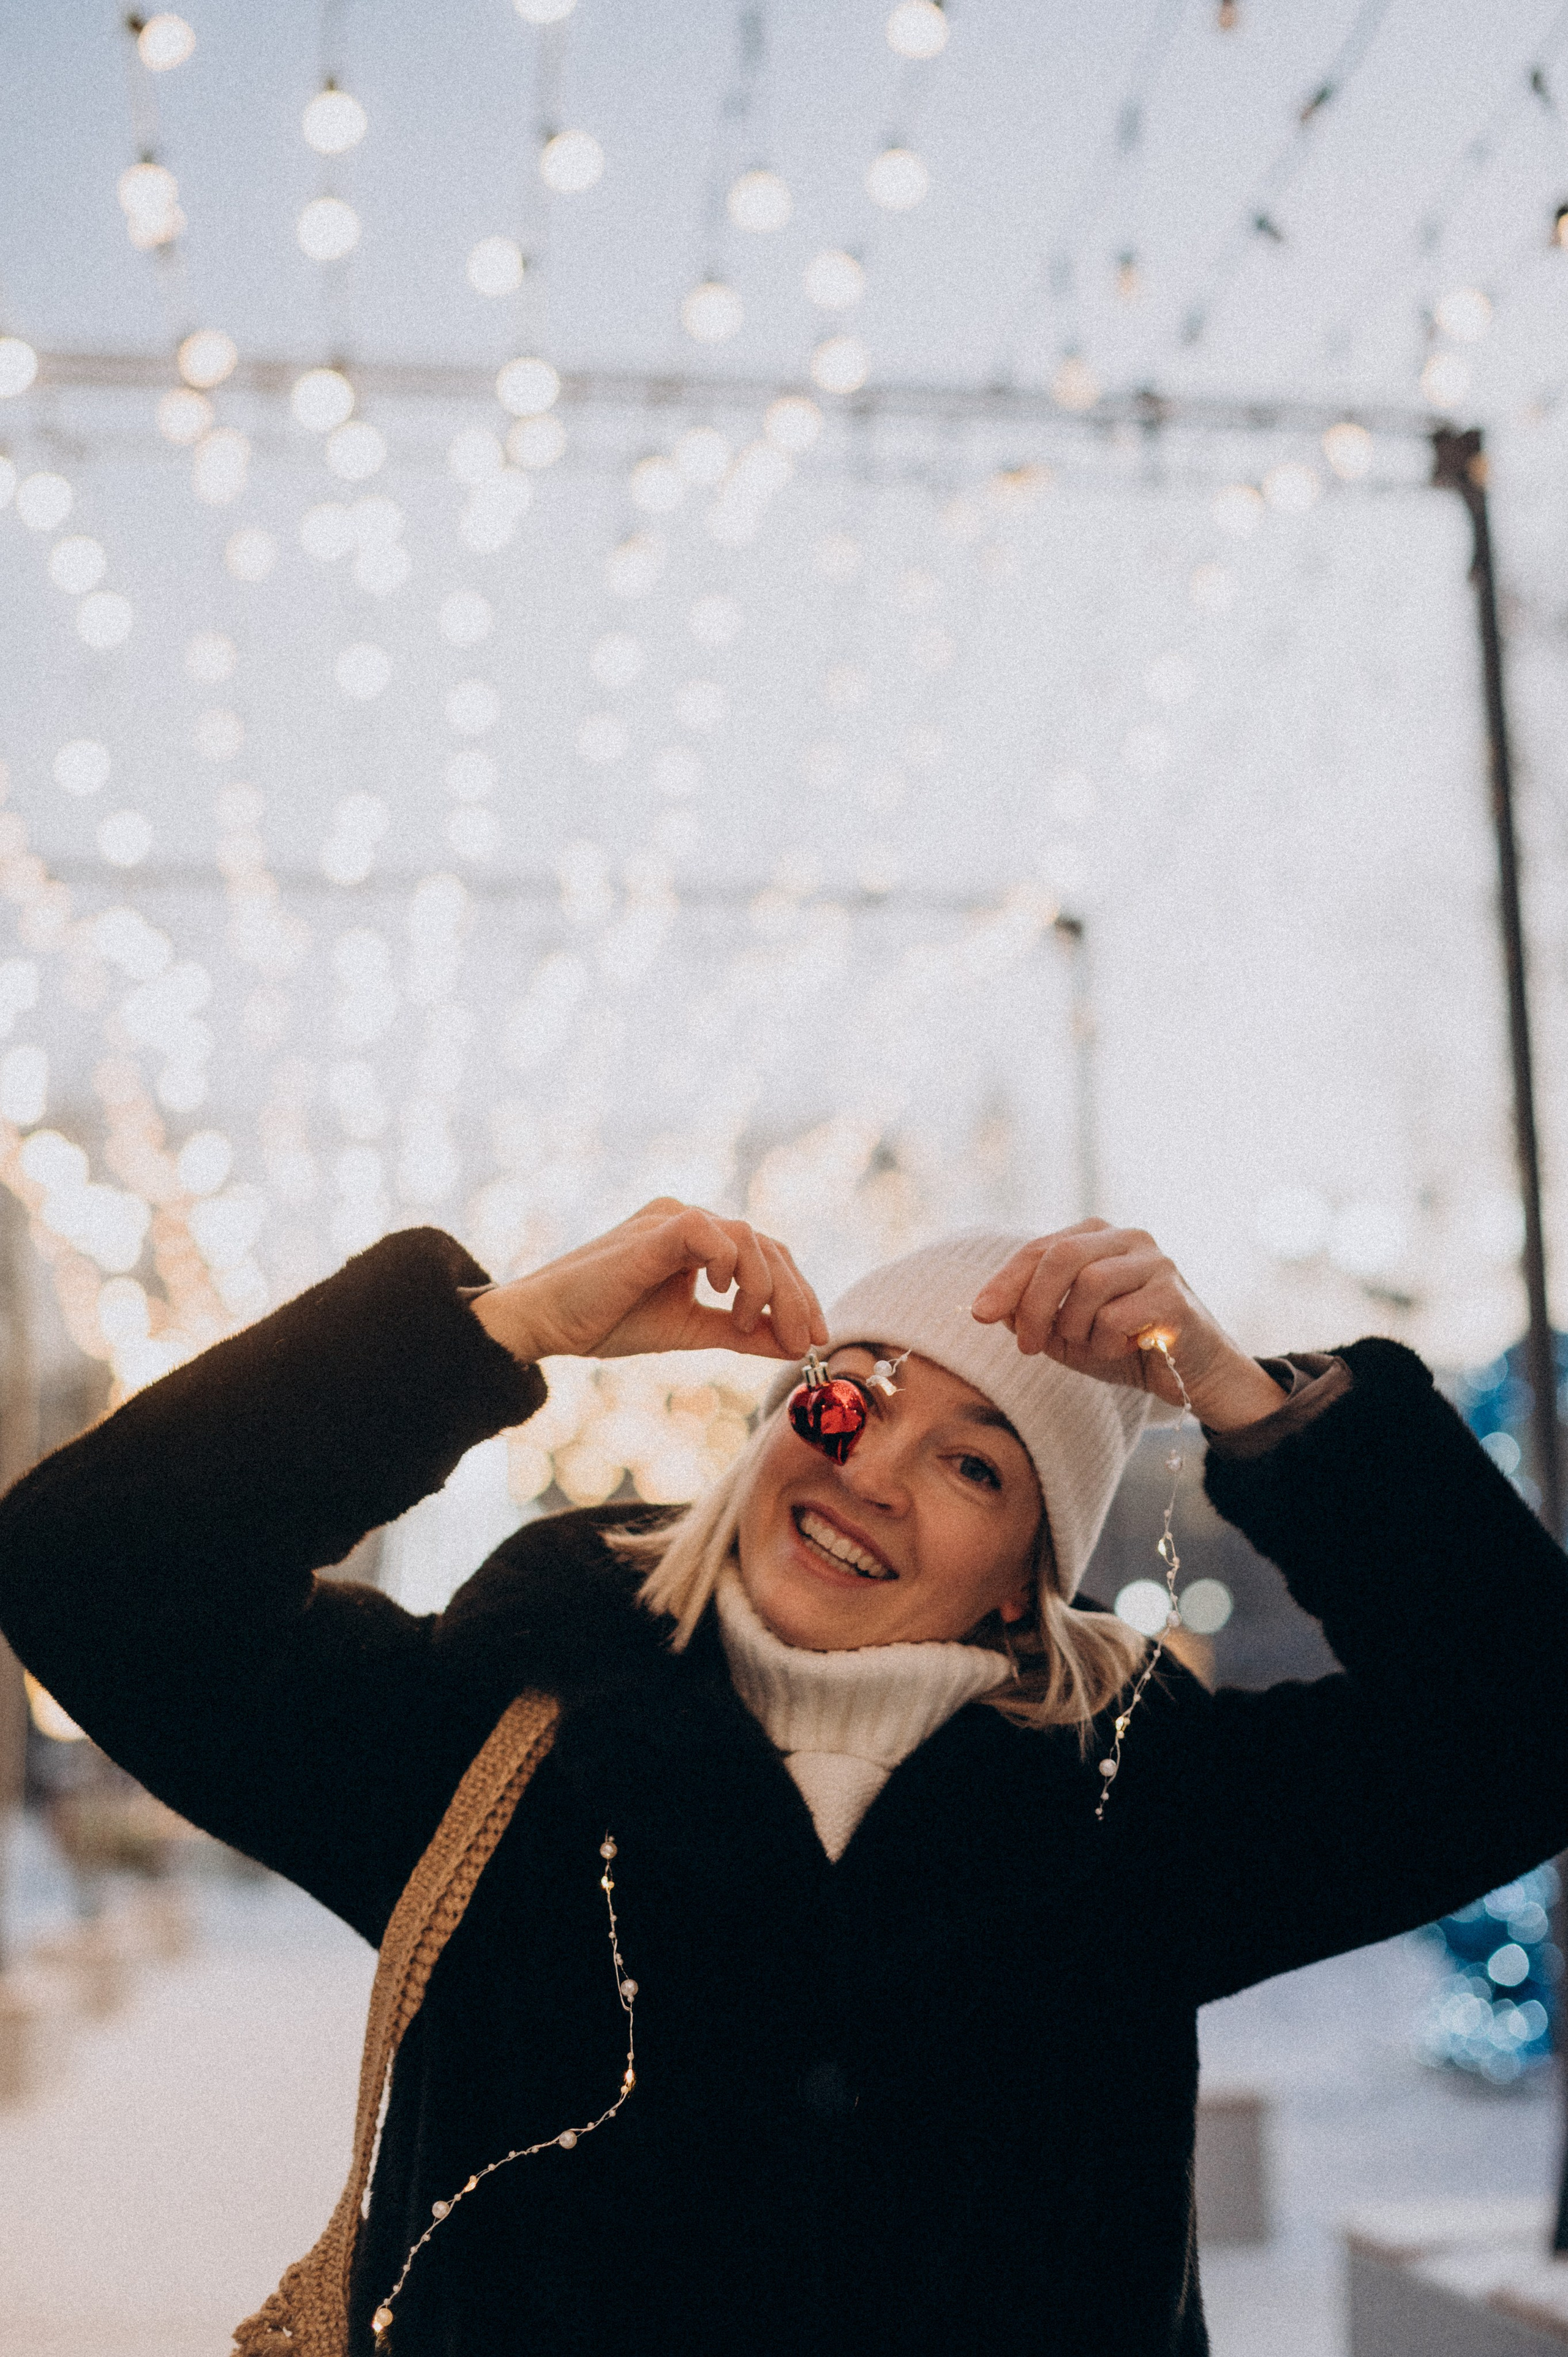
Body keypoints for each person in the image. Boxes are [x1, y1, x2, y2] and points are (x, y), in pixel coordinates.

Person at [1, 1199, 1565, 2357]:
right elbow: (92, 1570)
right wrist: (508, 1329)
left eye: (972, 1462)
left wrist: (1247, 1399)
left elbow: (1520, 1730)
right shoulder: (493, 1738)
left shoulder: (1132, 1815)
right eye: (848, 1395)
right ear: (769, 1428)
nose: (870, 1469)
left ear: (1028, 1580)